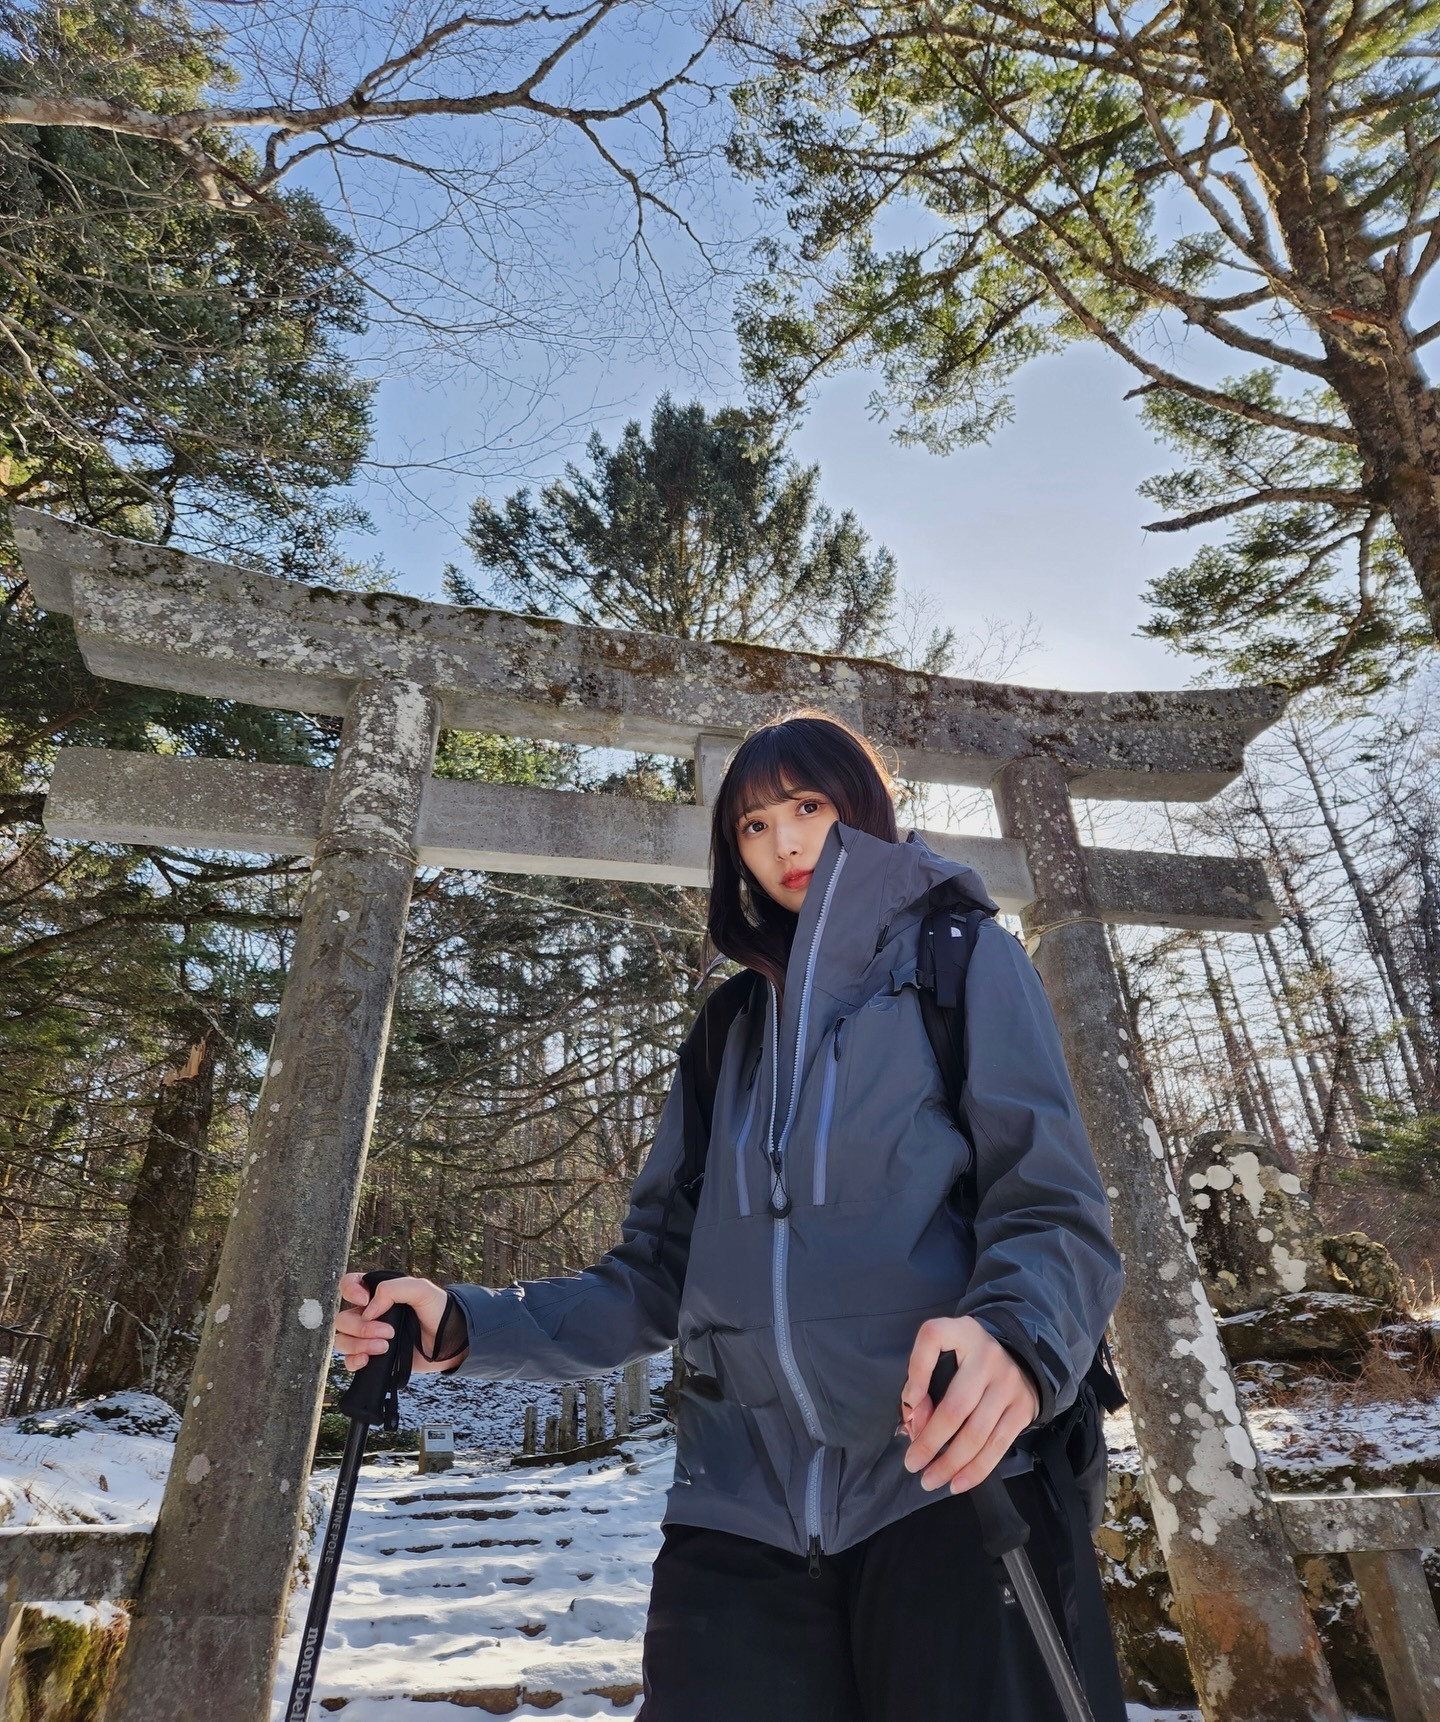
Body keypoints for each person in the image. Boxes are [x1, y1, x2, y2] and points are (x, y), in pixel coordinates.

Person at [334, 711, 1127, 1722]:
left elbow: (1053, 1204)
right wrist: (464, 1322)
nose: (785, 844)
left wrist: (1018, 1340)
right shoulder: (726, 1033)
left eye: (807, 806)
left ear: (865, 808)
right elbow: (658, 1272)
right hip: (736, 1505)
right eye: (753, 826)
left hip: (947, 1481)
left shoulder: (961, 959)